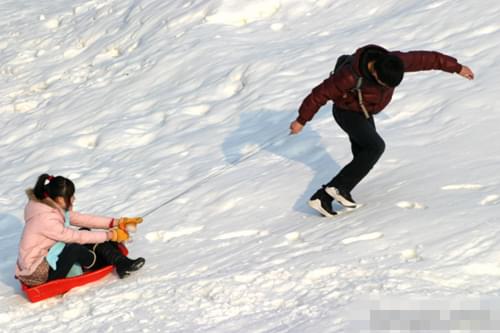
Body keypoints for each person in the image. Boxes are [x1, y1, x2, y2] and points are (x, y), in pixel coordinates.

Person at [289, 44, 474, 217]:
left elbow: (427, 59)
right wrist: (301, 120)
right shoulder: (349, 76)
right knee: (375, 147)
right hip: (347, 113)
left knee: (364, 155)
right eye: (383, 83)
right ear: (375, 71)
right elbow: (319, 94)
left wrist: (457, 68)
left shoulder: (395, 61)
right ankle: (338, 188)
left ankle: (322, 198)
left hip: (364, 112)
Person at [15, 174, 146, 287]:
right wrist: (110, 235)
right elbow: (75, 236)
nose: (74, 199)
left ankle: (120, 262)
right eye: (71, 196)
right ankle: (111, 262)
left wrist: (117, 222)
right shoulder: (45, 218)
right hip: (37, 273)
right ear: (60, 199)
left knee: (85, 231)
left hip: (44, 259)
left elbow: (81, 219)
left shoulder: (48, 205)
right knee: (75, 248)